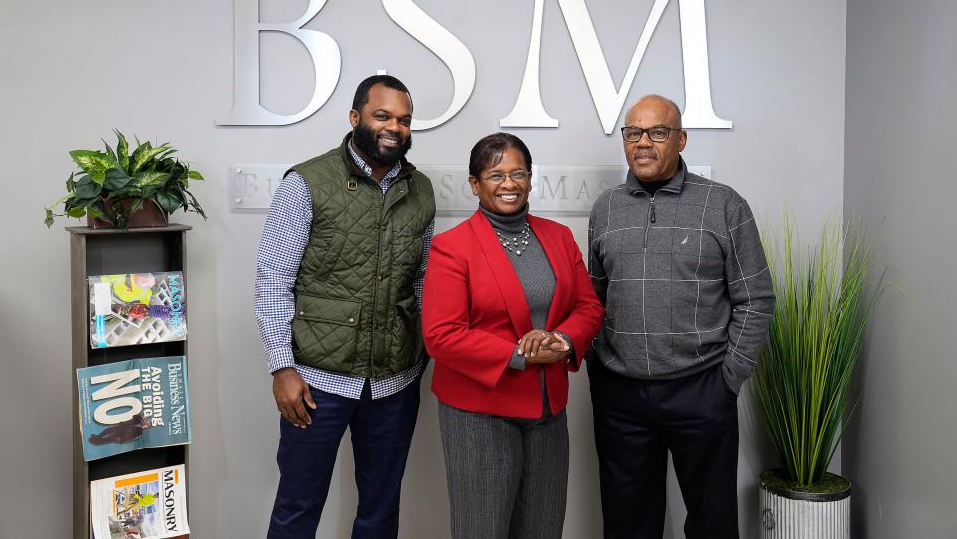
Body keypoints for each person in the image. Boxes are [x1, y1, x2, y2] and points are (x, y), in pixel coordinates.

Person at [255, 75, 436, 539]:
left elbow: (422, 281)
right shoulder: (307, 182)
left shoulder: (422, 192)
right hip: (316, 382)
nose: (394, 127)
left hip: (394, 383)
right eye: (383, 116)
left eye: (404, 120)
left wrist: (424, 352)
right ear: (356, 118)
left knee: (380, 511)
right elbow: (274, 280)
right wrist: (282, 367)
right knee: (297, 508)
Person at [587, 95, 775, 539]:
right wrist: (601, 366)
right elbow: (593, 296)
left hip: (702, 388)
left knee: (711, 523)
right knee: (627, 522)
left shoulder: (724, 205)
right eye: (633, 133)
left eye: (657, 132)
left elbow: (756, 297)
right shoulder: (606, 209)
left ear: (681, 139)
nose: (643, 143)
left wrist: (729, 377)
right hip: (622, 395)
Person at [422, 132, 604, 539]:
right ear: (474, 184)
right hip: (479, 416)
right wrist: (521, 354)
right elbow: (441, 335)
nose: (509, 184)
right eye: (495, 174)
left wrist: (562, 341)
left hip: (547, 412)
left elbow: (589, 307)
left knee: (543, 528)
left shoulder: (558, 237)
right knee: (481, 529)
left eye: (518, 173)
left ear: (530, 177)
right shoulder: (452, 249)